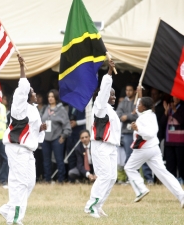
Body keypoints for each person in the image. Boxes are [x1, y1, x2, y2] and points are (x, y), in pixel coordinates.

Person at [0, 55, 46, 225]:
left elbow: (33, 132)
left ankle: (8, 208)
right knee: (20, 183)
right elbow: (23, 87)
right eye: (32, 92)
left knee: (29, 183)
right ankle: (15, 218)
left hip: (27, 150)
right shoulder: (19, 106)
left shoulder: (33, 110)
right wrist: (22, 68)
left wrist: (41, 129)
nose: (34, 94)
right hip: (17, 148)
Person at [124, 86, 184, 207]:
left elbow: (151, 133)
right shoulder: (150, 113)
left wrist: (138, 128)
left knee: (129, 168)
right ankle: (182, 197)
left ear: (144, 107)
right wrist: (140, 93)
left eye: (139, 104)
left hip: (144, 148)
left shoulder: (144, 118)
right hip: (153, 149)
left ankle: (141, 189)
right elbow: (139, 108)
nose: (137, 106)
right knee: (164, 174)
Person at [84, 60, 121, 218]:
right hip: (100, 145)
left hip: (111, 147)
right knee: (105, 176)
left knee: (112, 177)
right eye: (111, 94)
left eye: (114, 94)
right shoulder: (99, 107)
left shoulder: (110, 110)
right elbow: (104, 89)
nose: (113, 96)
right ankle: (90, 206)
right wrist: (110, 71)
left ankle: (98, 206)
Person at [41, 89, 71, 184]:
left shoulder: (61, 109)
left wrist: (63, 136)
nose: (50, 98)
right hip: (45, 138)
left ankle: (61, 180)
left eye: (52, 97)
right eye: (49, 96)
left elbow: (67, 125)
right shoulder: (45, 108)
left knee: (59, 160)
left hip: (56, 138)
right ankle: (47, 180)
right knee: (46, 161)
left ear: (56, 98)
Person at [161, 96, 184, 184]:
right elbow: (162, 123)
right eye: (174, 97)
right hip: (169, 140)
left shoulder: (182, 107)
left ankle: (182, 179)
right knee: (170, 163)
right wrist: (166, 111)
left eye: (178, 97)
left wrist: (175, 110)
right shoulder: (169, 107)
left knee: (181, 162)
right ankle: (171, 181)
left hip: (180, 140)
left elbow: (182, 121)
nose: (175, 98)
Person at [66, 106, 86, 183]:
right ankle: (72, 179)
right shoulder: (71, 105)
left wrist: (77, 123)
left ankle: (82, 178)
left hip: (82, 134)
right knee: (71, 157)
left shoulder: (86, 103)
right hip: (71, 134)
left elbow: (90, 118)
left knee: (80, 156)